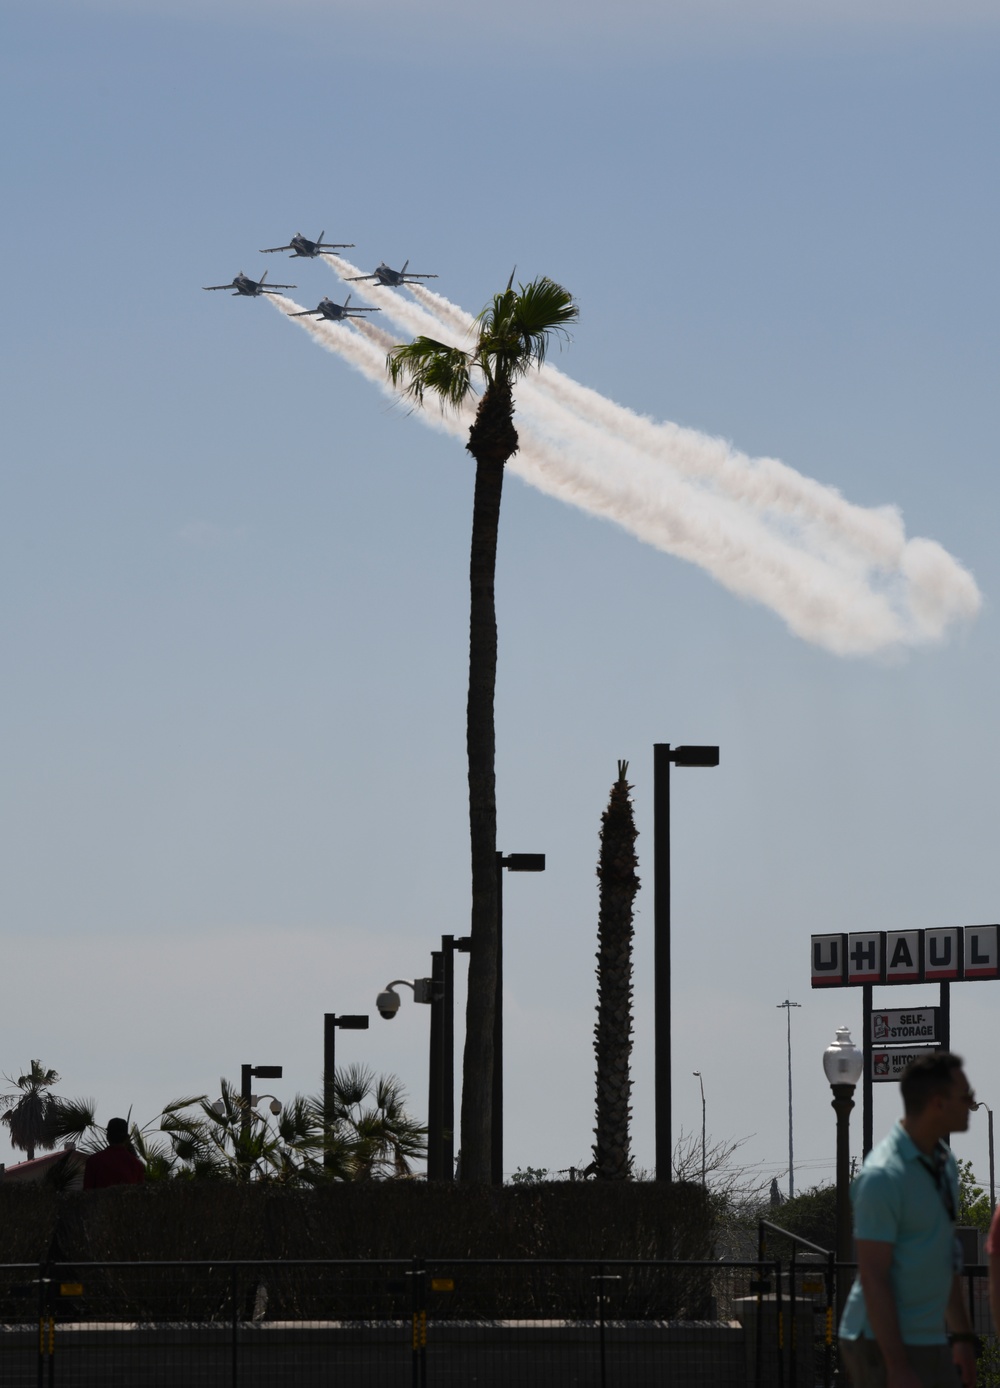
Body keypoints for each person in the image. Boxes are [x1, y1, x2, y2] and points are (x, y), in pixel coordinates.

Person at [839, 1050, 980, 1388]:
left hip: (929, 1338)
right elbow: (873, 1274)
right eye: (966, 1096)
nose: (971, 1103)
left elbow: (945, 1255)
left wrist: (962, 1337)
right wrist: (897, 1366)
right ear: (937, 1102)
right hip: (878, 1341)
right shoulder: (882, 1176)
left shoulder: (945, 1165)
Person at [83, 1117, 145, 1190]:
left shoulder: (94, 1160)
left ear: (107, 1136)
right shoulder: (136, 1164)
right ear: (126, 1138)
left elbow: (87, 1191)